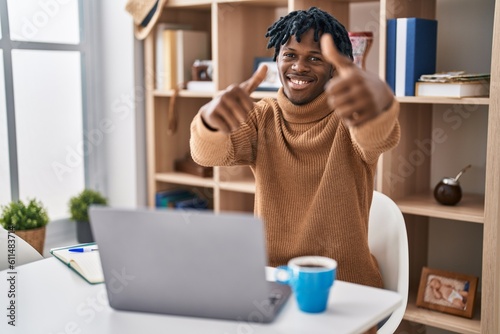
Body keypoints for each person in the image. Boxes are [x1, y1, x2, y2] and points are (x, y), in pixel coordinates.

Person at [190, 7, 400, 290]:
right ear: (276, 59)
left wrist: (380, 106)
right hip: (274, 282)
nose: (299, 67)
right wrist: (208, 121)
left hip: (346, 286)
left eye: (315, 58)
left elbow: (378, 136)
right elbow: (207, 154)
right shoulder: (262, 116)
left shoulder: (349, 119)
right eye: (289, 55)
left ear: (333, 68)